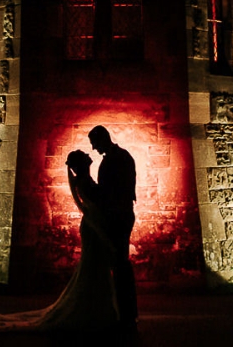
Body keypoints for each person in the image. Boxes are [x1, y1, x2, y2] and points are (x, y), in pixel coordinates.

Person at [0, 149, 120, 332]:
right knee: (93, 266)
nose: (89, 155)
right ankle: (94, 310)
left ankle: (96, 308)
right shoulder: (84, 182)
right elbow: (96, 204)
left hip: (91, 225)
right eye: (84, 156)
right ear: (82, 164)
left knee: (93, 266)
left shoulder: (83, 181)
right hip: (93, 227)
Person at [89, 125, 137, 332]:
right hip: (121, 214)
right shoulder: (121, 157)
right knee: (120, 264)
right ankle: (126, 313)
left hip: (119, 216)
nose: (93, 148)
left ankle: (126, 315)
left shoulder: (117, 159)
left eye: (94, 143)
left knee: (120, 264)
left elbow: (111, 193)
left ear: (102, 139)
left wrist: (88, 185)